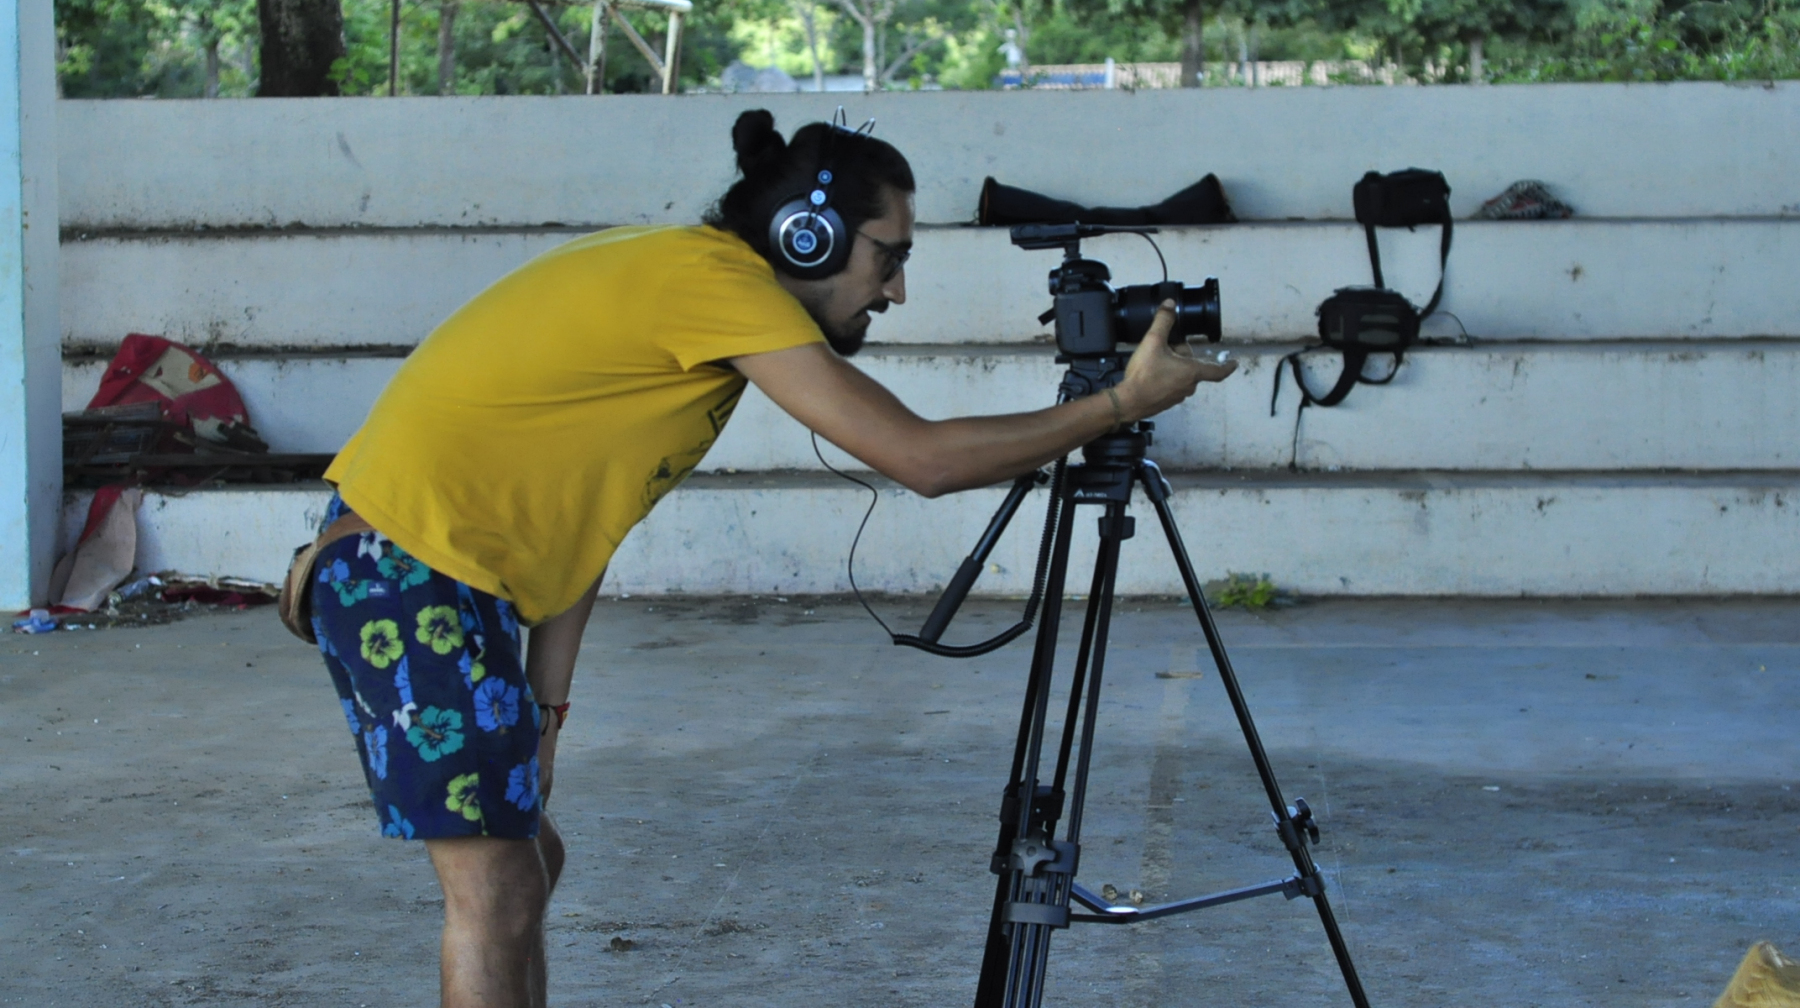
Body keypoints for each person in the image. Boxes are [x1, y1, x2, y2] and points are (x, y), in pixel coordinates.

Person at [306, 109, 1237, 1007]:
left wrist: (547, 715)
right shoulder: (715, 285)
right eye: (890, 256)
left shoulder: (690, 274)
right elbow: (922, 459)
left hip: (420, 573)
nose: (896, 291)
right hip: (409, 573)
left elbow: (587, 524)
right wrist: (1120, 404)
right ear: (807, 238)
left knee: (530, 864)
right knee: (497, 890)